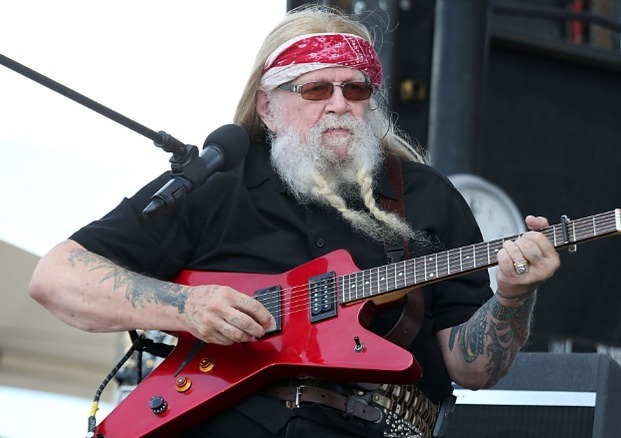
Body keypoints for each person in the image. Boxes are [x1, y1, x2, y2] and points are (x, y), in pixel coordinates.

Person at [28, 5, 559, 438]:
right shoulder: (216, 183)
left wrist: (513, 296)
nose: (338, 105)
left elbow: (475, 369)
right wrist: (187, 306)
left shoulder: (426, 195)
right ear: (267, 104)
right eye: (314, 90)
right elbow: (57, 277)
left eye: (355, 90)